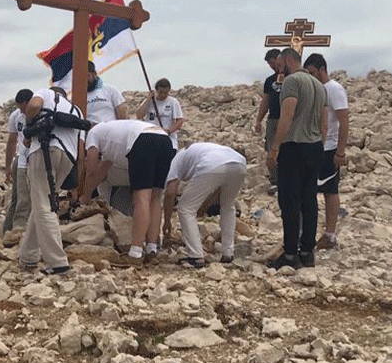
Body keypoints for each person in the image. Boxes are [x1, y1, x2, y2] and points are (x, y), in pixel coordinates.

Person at [80, 119, 175, 264]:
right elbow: (101, 171)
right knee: (155, 198)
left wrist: (84, 198)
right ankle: (152, 247)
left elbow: (91, 169)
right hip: (165, 140)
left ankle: (135, 252)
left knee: (141, 198)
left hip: (143, 141)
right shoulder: (112, 134)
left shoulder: (93, 133)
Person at [265, 48, 327, 269]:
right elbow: (324, 120)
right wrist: (320, 141)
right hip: (314, 146)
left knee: (290, 201)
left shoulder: (291, 82)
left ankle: (290, 253)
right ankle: (307, 251)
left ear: (288, 59)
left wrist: (275, 148)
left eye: (280, 62)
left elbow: (287, 115)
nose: (278, 67)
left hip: (294, 146)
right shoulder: (319, 86)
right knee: (309, 200)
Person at [18, 86, 84, 275]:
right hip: (68, 157)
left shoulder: (46, 94)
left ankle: (58, 262)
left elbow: (34, 105)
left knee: (44, 206)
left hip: (44, 151)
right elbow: (80, 147)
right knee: (43, 202)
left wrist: (29, 129)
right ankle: (28, 256)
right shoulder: (76, 110)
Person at [162, 143, 247, 268]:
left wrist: (167, 221)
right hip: (239, 162)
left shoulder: (175, 160)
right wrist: (204, 206)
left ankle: (195, 256)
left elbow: (170, 193)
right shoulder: (198, 150)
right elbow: (218, 187)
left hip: (211, 164)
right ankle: (228, 253)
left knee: (185, 209)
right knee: (228, 206)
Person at [304, 53, 349, 250]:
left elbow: (344, 121)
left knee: (330, 190)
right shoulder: (317, 90)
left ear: (322, 69)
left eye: (313, 72)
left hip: (329, 148)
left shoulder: (334, 90)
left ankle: (330, 235)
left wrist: (340, 151)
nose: (311, 76)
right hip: (315, 146)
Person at [2, 89, 34, 233]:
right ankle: (13, 231)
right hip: (21, 160)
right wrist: (7, 166)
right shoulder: (16, 116)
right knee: (19, 197)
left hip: (36, 160)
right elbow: (11, 141)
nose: (21, 112)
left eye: (23, 108)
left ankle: (26, 230)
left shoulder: (42, 114)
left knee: (30, 198)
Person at [253, 49, 284, 190]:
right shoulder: (270, 81)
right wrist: (259, 120)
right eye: (270, 65)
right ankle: (275, 180)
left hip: (288, 118)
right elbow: (265, 101)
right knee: (271, 149)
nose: (273, 67)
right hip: (273, 119)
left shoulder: (292, 77)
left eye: (273, 63)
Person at [135, 78, 184, 149]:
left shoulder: (173, 102)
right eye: (161, 92)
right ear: (156, 90)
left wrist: (169, 131)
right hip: (150, 136)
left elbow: (180, 121)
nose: (163, 95)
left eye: (166, 93)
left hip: (167, 138)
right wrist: (148, 99)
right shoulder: (150, 101)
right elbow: (139, 115)